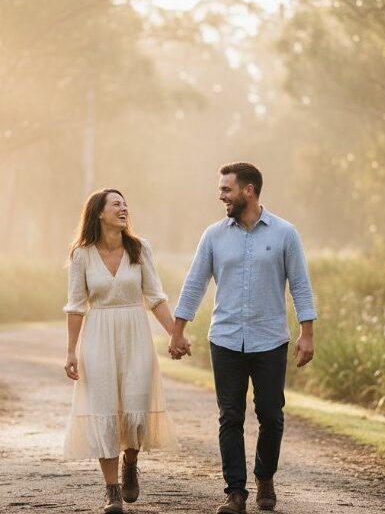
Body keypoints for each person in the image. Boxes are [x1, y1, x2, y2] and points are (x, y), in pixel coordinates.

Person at [169, 162, 317, 514]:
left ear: (248, 190)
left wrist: (306, 333)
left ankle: (265, 477)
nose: (221, 196)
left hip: (270, 339)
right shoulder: (213, 235)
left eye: (226, 189)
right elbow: (195, 283)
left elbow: (299, 284)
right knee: (230, 416)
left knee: (271, 414)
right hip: (226, 339)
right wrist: (178, 329)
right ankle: (235, 493)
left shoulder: (284, 233)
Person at [63, 188, 180, 514]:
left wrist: (175, 333)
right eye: (116, 204)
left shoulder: (140, 249)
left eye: (125, 203)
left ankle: (131, 459)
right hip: (98, 335)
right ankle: (111, 490)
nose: (124, 208)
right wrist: (71, 351)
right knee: (103, 408)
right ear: (99, 213)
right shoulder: (81, 255)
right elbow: (75, 306)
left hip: (135, 334)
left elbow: (155, 297)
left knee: (135, 409)